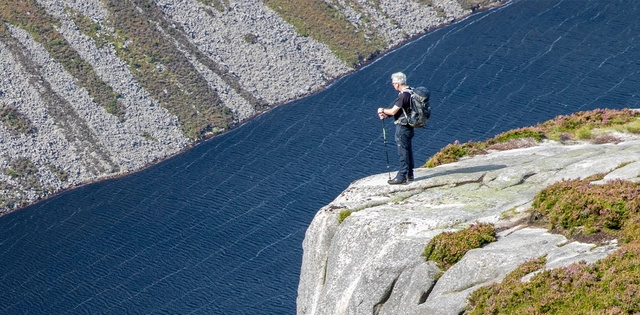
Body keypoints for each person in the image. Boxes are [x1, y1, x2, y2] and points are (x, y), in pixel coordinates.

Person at [377, 72, 414, 185]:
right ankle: (410, 174)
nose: (393, 85)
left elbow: (393, 111)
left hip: (402, 127)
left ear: (398, 84)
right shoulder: (411, 91)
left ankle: (402, 176)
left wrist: (382, 110)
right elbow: (402, 111)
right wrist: (388, 115)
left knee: (402, 150)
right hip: (409, 125)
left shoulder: (403, 95)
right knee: (407, 149)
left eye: (393, 83)